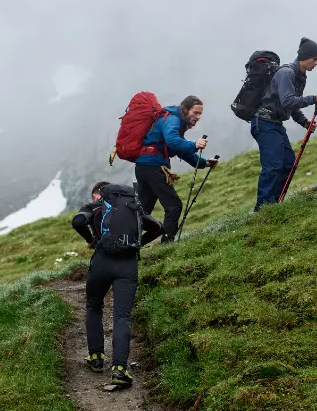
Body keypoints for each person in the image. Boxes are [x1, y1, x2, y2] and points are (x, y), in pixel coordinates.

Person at [71, 181, 163, 390]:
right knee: (122, 316)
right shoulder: (133, 206)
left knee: (94, 307)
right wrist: (139, 242)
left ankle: (95, 357)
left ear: (98, 194)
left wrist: (92, 239)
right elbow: (158, 227)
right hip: (128, 265)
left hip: (101, 262)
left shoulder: (95, 206)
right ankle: (119, 370)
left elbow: (77, 222)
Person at [251, 37, 317, 210]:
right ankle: (262, 209)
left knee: (288, 163)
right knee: (273, 166)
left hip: (274, 123)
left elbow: (291, 105)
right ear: (304, 57)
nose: (316, 63)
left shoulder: (300, 76)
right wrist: (313, 99)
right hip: (263, 122)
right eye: (314, 59)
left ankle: (274, 204)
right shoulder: (286, 73)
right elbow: (288, 101)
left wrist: (304, 122)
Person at [133, 95, 216, 243]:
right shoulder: (173, 118)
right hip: (153, 166)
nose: (198, 117)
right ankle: (168, 242)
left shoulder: (174, 119)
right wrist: (194, 145)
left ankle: (130, 244)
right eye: (195, 112)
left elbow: (181, 150)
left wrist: (205, 163)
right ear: (185, 109)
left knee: (142, 211)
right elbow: (173, 142)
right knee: (174, 205)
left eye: (200, 114)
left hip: (144, 166)